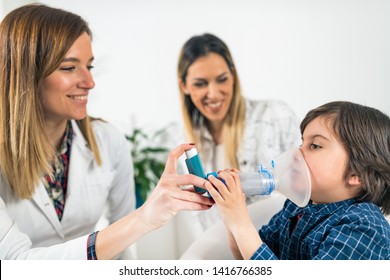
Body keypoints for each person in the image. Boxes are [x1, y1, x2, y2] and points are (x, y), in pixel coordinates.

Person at [0, 4, 213, 260]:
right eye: (69, 68)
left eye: (88, 66)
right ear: (26, 73)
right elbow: (15, 263)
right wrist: (144, 217)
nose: (89, 82)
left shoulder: (109, 141)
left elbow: (122, 246)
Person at [205, 101, 390, 260]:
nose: (296, 154)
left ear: (356, 173)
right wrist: (230, 213)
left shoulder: (364, 228)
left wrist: (240, 222)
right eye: (301, 143)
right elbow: (248, 258)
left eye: (315, 146)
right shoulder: (296, 206)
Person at [175, 33, 300, 233]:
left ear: (233, 75)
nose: (214, 93)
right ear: (184, 86)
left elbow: (302, 192)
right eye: (200, 84)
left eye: (222, 79)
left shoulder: (276, 115)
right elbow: (201, 220)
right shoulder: (184, 144)